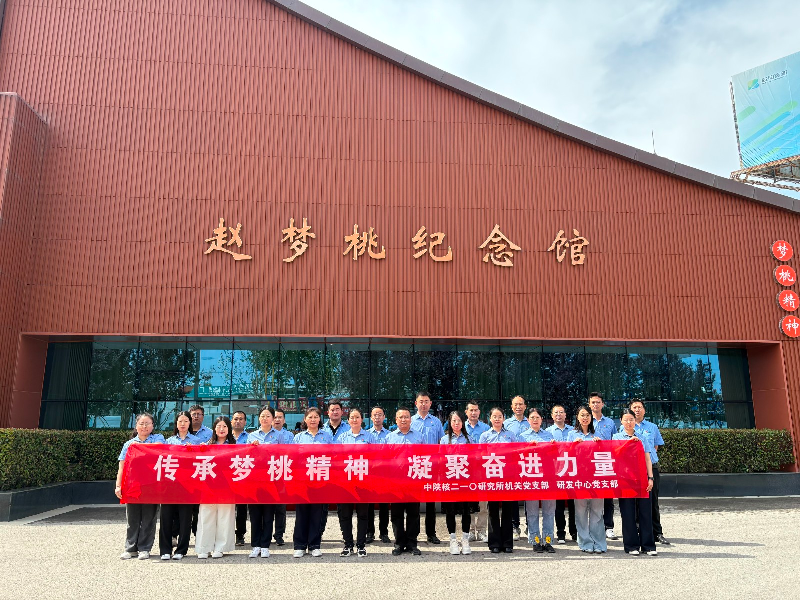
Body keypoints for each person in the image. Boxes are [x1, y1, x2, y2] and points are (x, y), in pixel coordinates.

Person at [115, 412, 165, 560]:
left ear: (152, 426)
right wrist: (118, 486)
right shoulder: (129, 444)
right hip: (132, 485)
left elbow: (160, 447)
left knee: (149, 518)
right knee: (132, 518)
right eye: (141, 424)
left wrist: (140, 447)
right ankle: (130, 548)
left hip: (151, 485)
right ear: (136, 426)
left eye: (147, 423)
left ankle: (144, 548)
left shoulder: (158, 438)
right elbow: (122, 467)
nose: (144, 426)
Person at [613, 410, 656, 556]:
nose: (629, 422)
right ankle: (631, 546)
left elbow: (648, 459)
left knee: (645, 512)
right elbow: (615, 455)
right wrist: (628, 443)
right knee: (628, 513)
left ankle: (648, 546)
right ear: (621, 421)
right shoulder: (616, 437)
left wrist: (650, 478)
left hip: (642, 479)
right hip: (625, 480)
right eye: (626, 420)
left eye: (631, 419)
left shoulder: (642, 437)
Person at [292, 407, 333, 558]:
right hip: (303, 480)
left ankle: (315, 545)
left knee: (317, 513)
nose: (313, 419)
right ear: (305, 419)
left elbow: (333, 455)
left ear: (319, 419)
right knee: (301, 513)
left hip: (321, 480)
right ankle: (300, 545)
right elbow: (293, 458)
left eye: (316, 417)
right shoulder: (298, 437)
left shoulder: (327, 436)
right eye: (310, 417)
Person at [479, 407, 519, 554]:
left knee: (507, 509)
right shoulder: (485, 436)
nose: (497, 419)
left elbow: (516, 454)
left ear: (504, 418)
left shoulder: (510, 435)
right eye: (494, 416)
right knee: (493, 509)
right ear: (490, 418)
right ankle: (494, 543)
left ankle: (507, 543)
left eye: (500, 416)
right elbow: (480, 456)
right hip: (491, 476)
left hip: (507, 476)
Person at [629, 399, 669, 545]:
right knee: (635, 502)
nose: (637, 410)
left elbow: (655, 446)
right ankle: (639, 531)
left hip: (651, 468)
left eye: (639, 407)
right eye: (634, 407)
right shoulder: (624, 428)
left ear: (644, 410)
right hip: (633, 470)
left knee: (653, 501)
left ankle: (657, 532)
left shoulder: (652, 427)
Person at [196, 416, 237, 559]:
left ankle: (220, 547)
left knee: (225, 516)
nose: (221, 429)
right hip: (209, 486)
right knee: (206, 515)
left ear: (229, 429)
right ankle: (204, 547)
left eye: (224, 426)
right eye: (219, 426)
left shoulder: (235, 446)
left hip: (227, 486)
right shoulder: (207, 445)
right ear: (214, 428)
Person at [386, 407, 425, 556]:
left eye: (406, 417)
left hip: (414, 481)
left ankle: (412, 543)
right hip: (395, 482)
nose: (404, 420)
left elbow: (425, 457)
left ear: (411, 419)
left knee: (413, 513)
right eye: (401, 417)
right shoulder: (390, 438)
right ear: (396, 420)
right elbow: (385, 460)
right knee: (396, 514)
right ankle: (399, 543)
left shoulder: (419, 437)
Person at [159, 411, 197, 560]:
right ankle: (165, 550)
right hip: (169, 485)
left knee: (185, 519)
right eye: (180, 421)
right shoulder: (168, 442)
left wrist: (193, 451)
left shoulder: (196, 441)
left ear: (190, 423)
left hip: (188, 486)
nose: (183, 424)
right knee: (166, 518)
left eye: (186, 421)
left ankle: (181, 550)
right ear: (176, 423)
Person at [246, 406, 283, 559]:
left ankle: (265, 545)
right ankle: (255, 545)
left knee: (268, 515)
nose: (265, 418)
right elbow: (245, 457)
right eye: (262, 416)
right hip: (255, 481)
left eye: (268, 416)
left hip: (272, 480)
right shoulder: (251, 436)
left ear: (273, 418)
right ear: (259, 418)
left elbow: (284, 455)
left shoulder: (279, 436)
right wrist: (251, 448)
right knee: (255, 515)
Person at [568, 405, 606, 553]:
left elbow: (607, 454)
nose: (585, 418)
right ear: (577, 417)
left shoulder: (598, 433)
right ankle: (585, 542)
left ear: (591, 417)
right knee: (581, 511)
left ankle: (599, 542)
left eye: (587, 415)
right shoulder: (572, 434)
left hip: (596, 477)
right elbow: (566, 455)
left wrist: (600, 444)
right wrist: (573, 446)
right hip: (579, 477)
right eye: (582, 415)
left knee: (597, 511)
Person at [337, 408, 373, 557]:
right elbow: (336, 459)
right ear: (348, 420)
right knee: (345, 514)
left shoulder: (370, 437)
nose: (354, 420)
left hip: (363, 482)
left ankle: (361, 545)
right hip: (346, 482)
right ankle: (348, 545)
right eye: (352, 417)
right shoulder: (342, 438)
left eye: (357, 417)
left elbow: (376, 457)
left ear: (361, 419)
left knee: (363, 514)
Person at [520, 407, 556, 553]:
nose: (535, 420)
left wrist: (553, 447)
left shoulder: (549, 435)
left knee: (549, 511)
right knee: (532, 511)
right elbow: (518, 456)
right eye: (532, 418)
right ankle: (535, 540)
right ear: (528, 420)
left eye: (537, 417)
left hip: (548, 477)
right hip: (531, 478)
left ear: (542, 420)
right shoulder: (522, 437)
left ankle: (548, 541)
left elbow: (555, 456)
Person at [411, 391, 444, 544]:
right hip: (415, 465)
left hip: (432, 466)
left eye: (426, 401)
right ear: (416, 403)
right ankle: (414, 533)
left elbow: (441, 442)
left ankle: (431, 533)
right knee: (415, 502)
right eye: (421, 401)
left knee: (431, 502)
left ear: (430, 404)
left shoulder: (436, 422)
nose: (423, 404)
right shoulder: (410, 421)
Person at [440, 410, 472, 555]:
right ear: (450, 422)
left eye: (459, 420)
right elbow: (441, 460)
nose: (456, 423)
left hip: (465, 480)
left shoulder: (469, 439)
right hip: (450, 480)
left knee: (466, 510)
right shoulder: (444, 440)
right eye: (454, 420)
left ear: (463, 422)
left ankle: (465, 539)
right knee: (450, 510)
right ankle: (453, 539)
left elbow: (474, 459)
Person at [588, 392, 618, 540]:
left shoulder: (610, 422)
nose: (595, 404)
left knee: (608, 496)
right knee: (591, 496)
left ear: (602, 404)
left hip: (606, 462)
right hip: (589, 463)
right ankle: (593, 527)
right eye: (593, 402)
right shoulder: (586, 420)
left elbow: (616, 441)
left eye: (598, 402)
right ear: (589, 405)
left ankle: (609, 527)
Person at [319, 401, 350, 538]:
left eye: (337, 409)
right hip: (324, 470)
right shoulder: (321, 429)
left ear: (342, 412)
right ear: (328, 412)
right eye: (332, 409)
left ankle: (345, 535)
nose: (335, 412)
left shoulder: (349, 428)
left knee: (343, 506)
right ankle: (319, 533)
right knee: (322, 505)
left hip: (343, 471)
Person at [546, 404, 577, 544]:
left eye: (561, 412)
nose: (558, 415)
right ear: (552, 416)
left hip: (572, 471)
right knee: (558, 504)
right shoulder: (547, 432)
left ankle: (574, 532)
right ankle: (560, 533)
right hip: (556, 471)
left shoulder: (573, 431)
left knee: (573, 503)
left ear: (565, 415)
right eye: (556, 412)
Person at [504, 395, 529, 540]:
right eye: (515, 404)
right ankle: (515, 526)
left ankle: (530, 525)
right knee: (513, 495)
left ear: (525, 406)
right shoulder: (506, 423)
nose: (518, 407)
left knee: (528, 494)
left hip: (529, 462)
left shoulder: (531, 421)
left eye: (521, 404)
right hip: (512, 464)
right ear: (511, 407)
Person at [464, 401, 489, 543]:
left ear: (479, 412)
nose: (473, 413)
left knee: (483, 502)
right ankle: (470, 530)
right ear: (466, 412)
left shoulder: (486, 428)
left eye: (476, 410)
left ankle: (481, 530)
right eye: (471, 410)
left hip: (482, 469)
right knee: (468, 502)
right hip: (466, 470)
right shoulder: (461, 427)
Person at [366, 406, 391, 544]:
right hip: (369, 474)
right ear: (371, 417)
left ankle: (384, 532)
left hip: (384, 474)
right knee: (369, 505)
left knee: (384, 505)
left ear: (384, 417)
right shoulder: (366, 435)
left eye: (380, 414)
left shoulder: (390, 435)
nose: (377, 417)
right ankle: (370, 532)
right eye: (375, 415)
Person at [271, 408, 293, 546]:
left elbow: (292, 454)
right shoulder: (263, 435)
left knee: (280, 507)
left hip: (282, 473)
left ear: (284, 420)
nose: (277, 420)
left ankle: (279, 535)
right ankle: (266, 534)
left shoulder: (289, 436)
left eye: (280, 417)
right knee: (266, 507)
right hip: (266, 475)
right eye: (275, 417)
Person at [231, 410, 249, 547]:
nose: (238, 421)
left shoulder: (250, 438)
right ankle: (227, 534)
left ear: (245, 422)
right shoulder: (225, 435)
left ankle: (240, 534)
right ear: (231, 421)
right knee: (227, 508)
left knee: (242, 508)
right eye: (236, 419)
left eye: (241, 419)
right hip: (226, 477)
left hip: (243, 477)